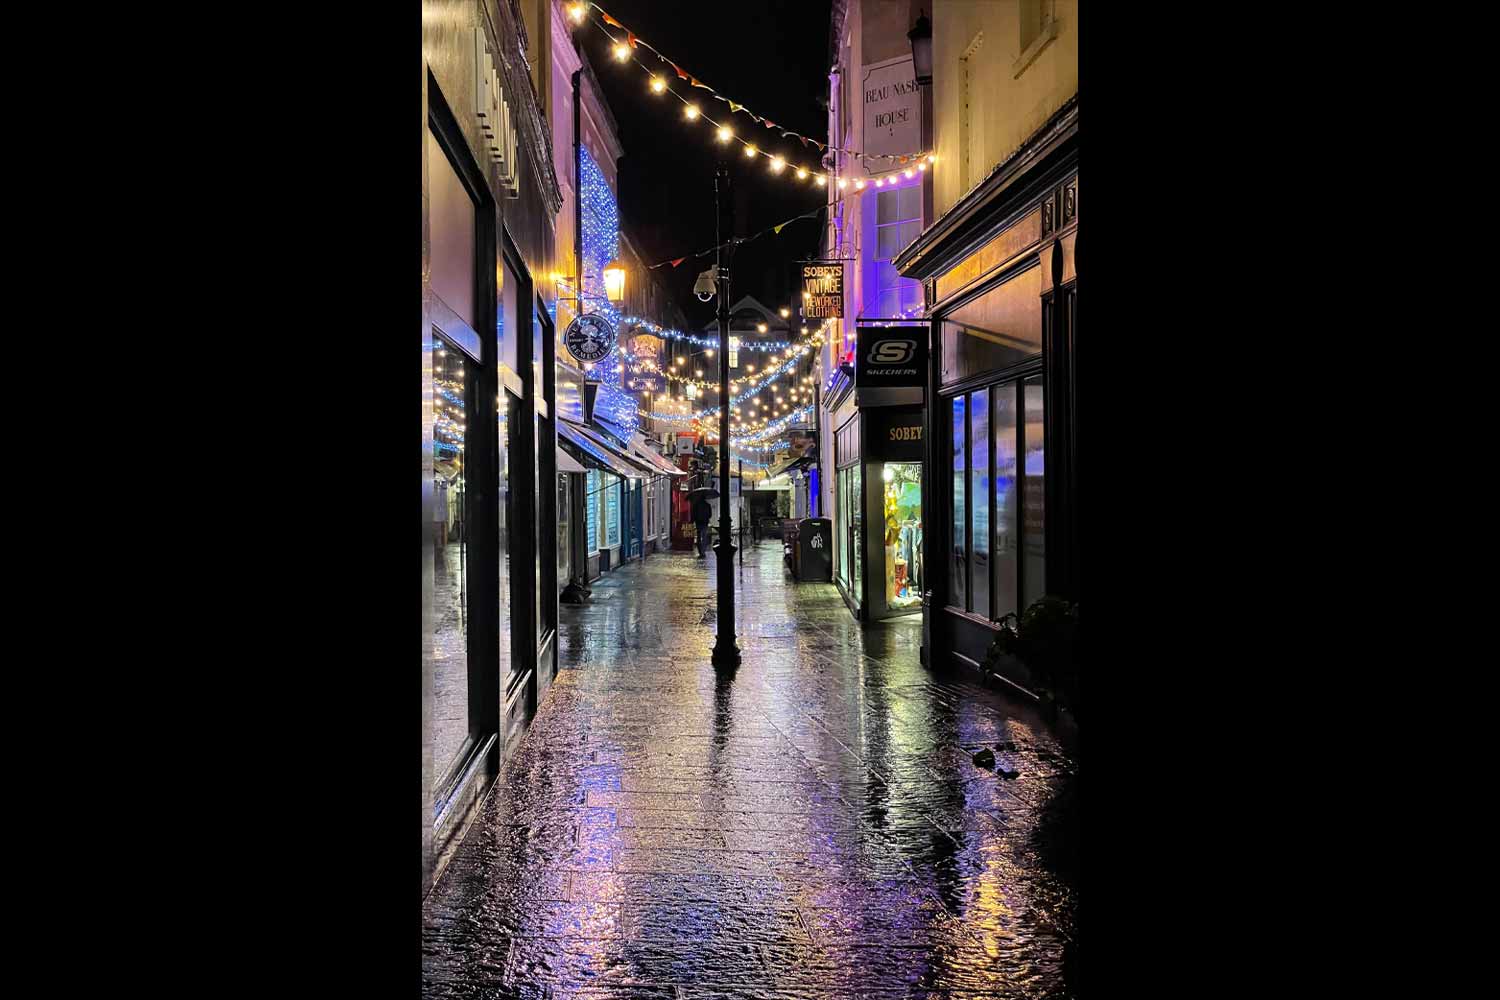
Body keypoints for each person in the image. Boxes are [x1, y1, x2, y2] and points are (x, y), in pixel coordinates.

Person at [692, 494, 713, 559]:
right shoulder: (708, 505)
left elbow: (694, 514)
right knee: (704, 537)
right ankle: (703, 551)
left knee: (699, 537)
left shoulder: (696, 505)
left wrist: (694, 520)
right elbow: (710, 515)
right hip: (705, 523)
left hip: (698, 523)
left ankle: (700, 551)